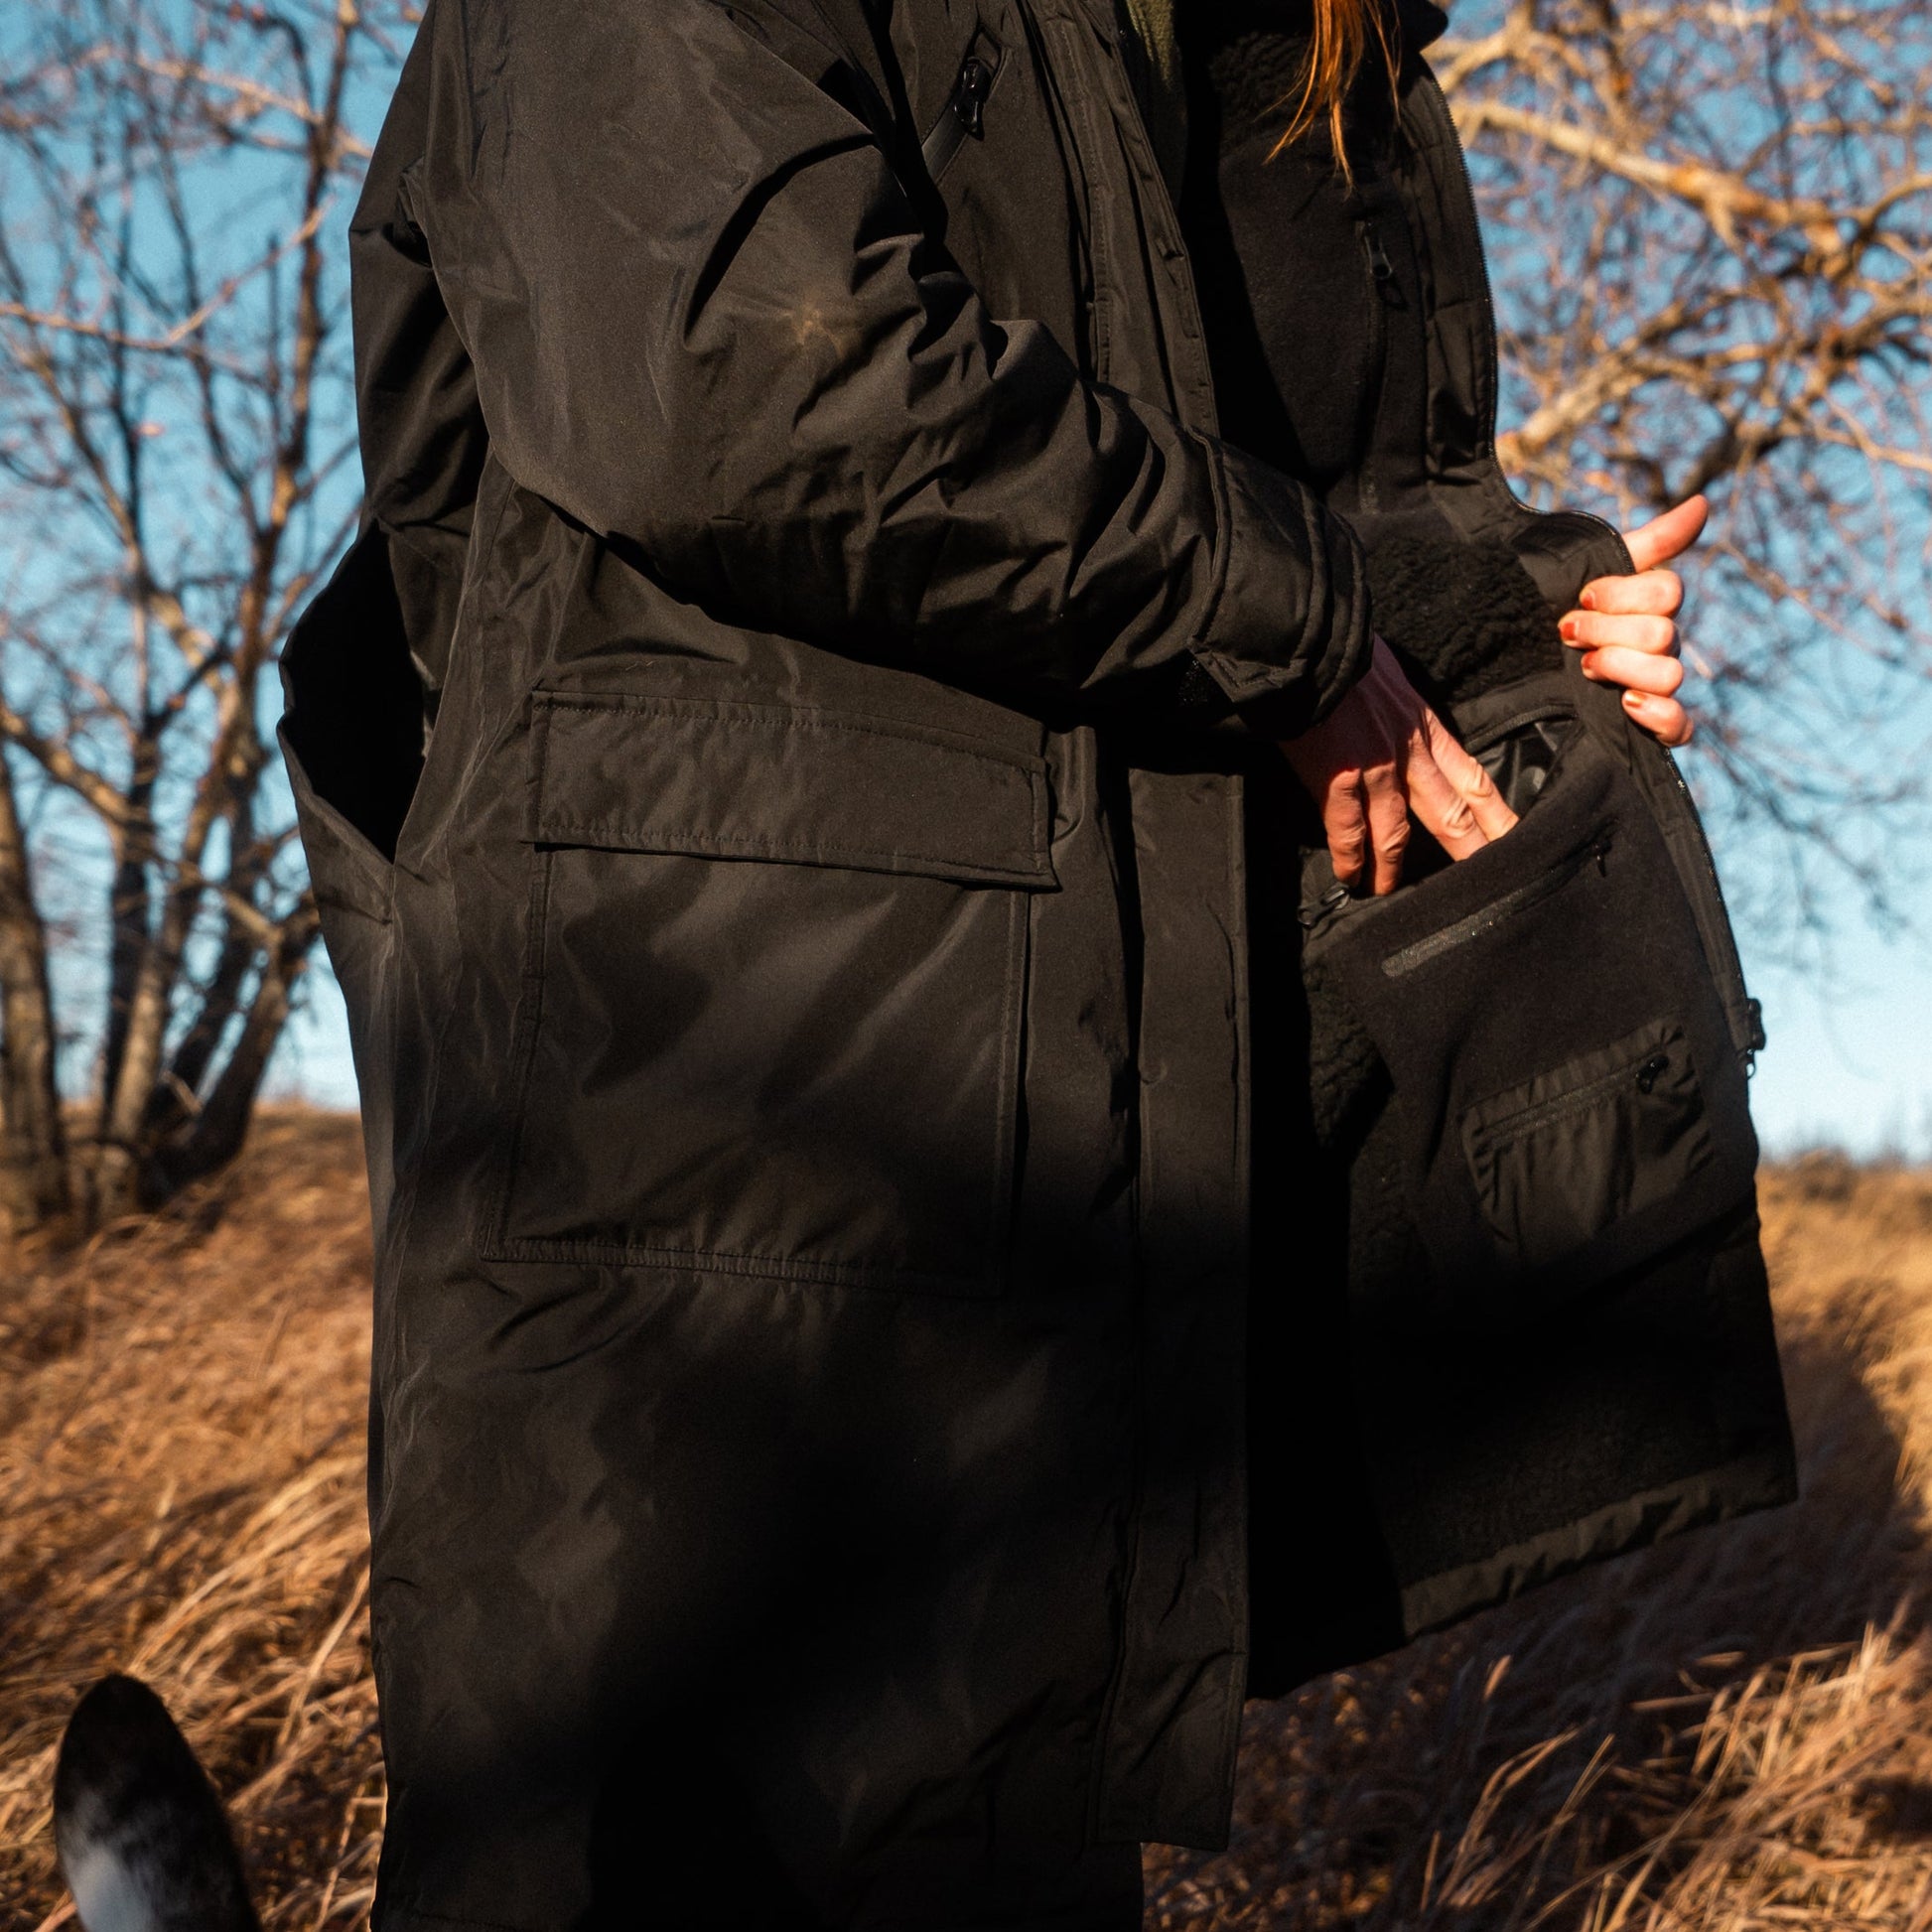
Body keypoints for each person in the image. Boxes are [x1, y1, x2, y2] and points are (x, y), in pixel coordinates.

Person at [278, 0, 1794, 1924]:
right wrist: (1294, 628)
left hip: (1070, 1250)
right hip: (683, 1218)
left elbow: (1269, 490)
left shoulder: (1263, 38)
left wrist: (1505, 638)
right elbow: (736, 354)